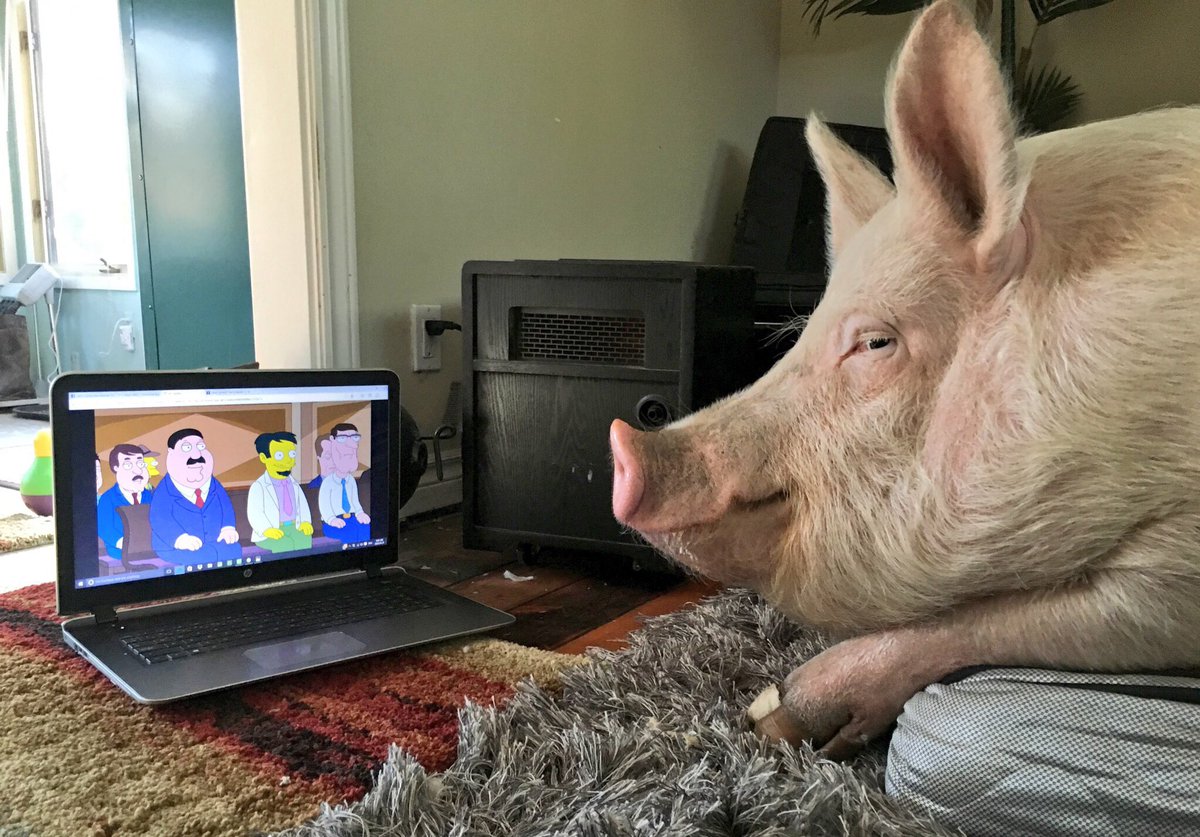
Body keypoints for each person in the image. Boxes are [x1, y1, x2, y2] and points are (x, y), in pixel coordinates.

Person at [149, 428, 241, 565]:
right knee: (203, 558)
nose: (196, 455)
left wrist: (228, 528)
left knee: (234, 551)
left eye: (200, 446)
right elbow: (160, 519)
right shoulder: (164, 491)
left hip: (215, 543)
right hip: (174, 548)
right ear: (171, 454)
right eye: (186, 448)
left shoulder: (214, 484)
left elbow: (226, 507)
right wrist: (180, 538)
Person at [246, 431, 314, 554]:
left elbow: (303, 506)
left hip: (294, 527)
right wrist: (267, 530)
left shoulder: (294, 484)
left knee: (304, 540)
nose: (288, 461)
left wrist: (305, 522)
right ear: (263, 458)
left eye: (292, 454)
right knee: (285, 544)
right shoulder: (258, 487)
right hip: (270, 532)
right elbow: (255, 513)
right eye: (279, 455)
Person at [96, 443, 156, 561]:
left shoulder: (150, 496)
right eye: (128, 465)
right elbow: (105, 528)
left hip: (151, 550)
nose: (137, 470)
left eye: (140, 463)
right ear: (116, 468)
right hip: (121, 552)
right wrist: (122, 542)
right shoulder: (108, 499)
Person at [317, 423, 371, 544]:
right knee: (350, 534)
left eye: (354, 438)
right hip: (333, 522)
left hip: (352, 518)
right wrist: (332, 519)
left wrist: (360, 513)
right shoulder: (328, 482)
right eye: (343, 438)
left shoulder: (350, 480)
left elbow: (355, 501)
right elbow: (324, 506)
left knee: (366, 530)